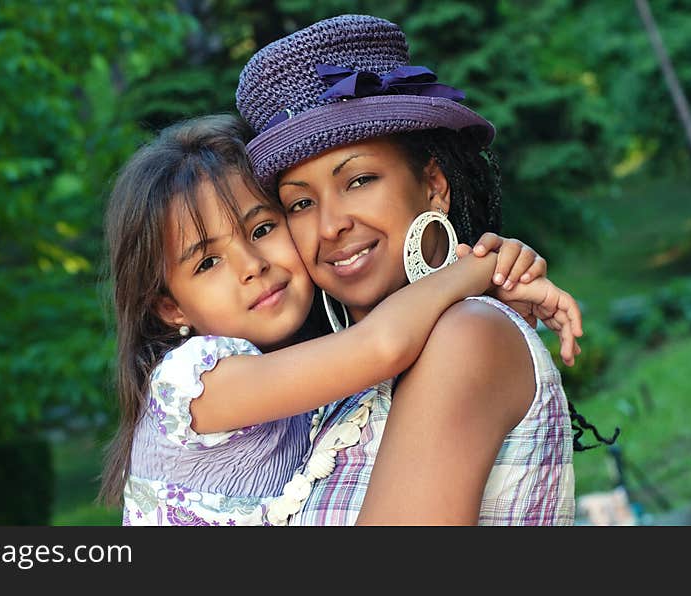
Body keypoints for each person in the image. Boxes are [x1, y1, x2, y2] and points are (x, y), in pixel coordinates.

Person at [97, 113, 582, 526]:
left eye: (263, 228)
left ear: (434, 185)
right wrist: (479, 268)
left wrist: (482, 284)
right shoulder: (192, 380)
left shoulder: (449, 342)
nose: (252, 265)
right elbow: (383, 343)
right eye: (207, 262)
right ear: (170, 307)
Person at [235, 13, 607, 525]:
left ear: (433, 185)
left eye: (359, 180)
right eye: (299, 204)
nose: (329, 226)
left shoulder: (466, 335)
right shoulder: (335, 391)